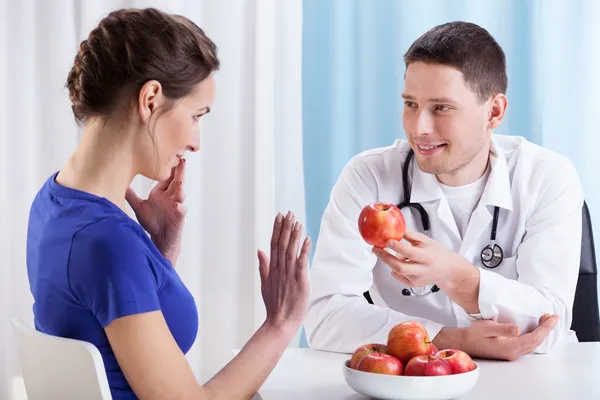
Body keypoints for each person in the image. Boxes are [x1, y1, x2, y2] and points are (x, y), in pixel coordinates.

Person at [26, 8, 311, 400]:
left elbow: (108, 324)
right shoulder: (108, 242)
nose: (196, 141)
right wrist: (281, 322)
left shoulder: (53, 201)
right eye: (196, 116)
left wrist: (159, 254)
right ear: (150, 99)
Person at [304, 21, 584, 361]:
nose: (420, 128)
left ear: (494, 111)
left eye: (442, 108)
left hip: (531, 375)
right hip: (411, 383)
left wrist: (458, 277)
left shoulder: (545, 177)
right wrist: (451, 340)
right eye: (410, 105)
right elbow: (325, 317)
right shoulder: (369, 176)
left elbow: (547, 327)